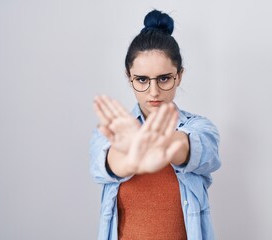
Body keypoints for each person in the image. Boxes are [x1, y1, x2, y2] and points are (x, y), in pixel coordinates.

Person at [90, 9, 221, 240]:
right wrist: (132, 158)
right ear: (129, 77)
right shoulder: (114, 132)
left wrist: (160, 144)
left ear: (178, 76)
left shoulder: (201, 129)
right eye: (142, 79)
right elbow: (111, 164)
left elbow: (188, 148)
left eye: (164, 78)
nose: (154, 91)